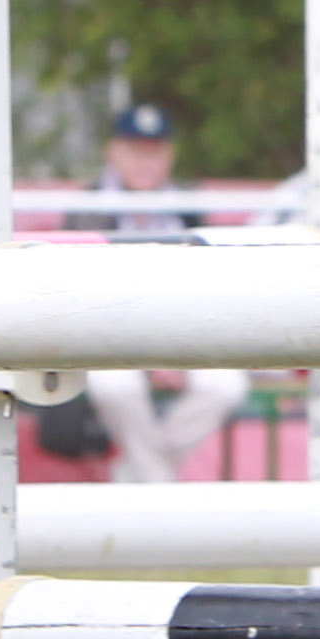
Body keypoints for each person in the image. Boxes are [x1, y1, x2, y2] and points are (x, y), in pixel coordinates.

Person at [82, 104, 252, 481]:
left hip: (181, 339)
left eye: (154, 151)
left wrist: (174, 349)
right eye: (135, 150)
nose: (146, 161)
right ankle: (159, 486)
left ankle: (137, 476)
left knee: (226, 385)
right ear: (114, 153)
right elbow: (87, 298)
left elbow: (208, 289)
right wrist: (146, 353)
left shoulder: (188, 208)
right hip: (111, 344)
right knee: (112, 387)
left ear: (169, 155)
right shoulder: (86, 208)